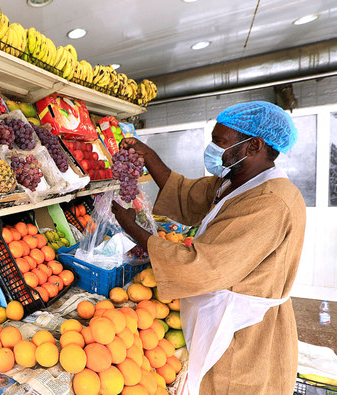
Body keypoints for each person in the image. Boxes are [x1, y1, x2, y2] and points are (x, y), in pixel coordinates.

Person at [110, 101, 305, 395]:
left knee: (228, 385)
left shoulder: (270, 202)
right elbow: (188, 194)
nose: (212, 149)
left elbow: (203, 265)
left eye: (220, 142)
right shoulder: (238, 182)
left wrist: (133, 229)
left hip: (246, 333)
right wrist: (148, 156)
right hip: (223, 313)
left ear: (254, 146)